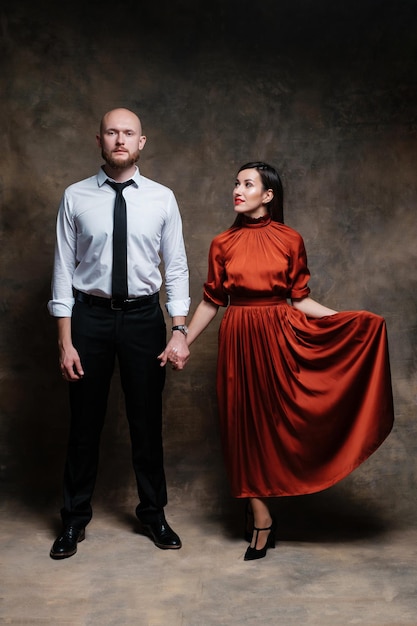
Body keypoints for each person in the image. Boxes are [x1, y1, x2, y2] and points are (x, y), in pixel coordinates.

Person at [160, 161, 394, 561]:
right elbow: (213, 301)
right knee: (240, 429)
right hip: (238, 338)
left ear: (267, 195)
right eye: (236, 182)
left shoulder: (290, 239)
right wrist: (181, 340)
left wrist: (346, 322)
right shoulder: (222, 243)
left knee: (278, 426)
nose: (237, 189)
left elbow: (300, 299)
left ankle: (268, 511)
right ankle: (261, 517)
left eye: (247, 184)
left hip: (280, 336)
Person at [48, 108, 190, 559]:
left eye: (129, 132)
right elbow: (62, 272)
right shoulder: (75, 197)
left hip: (144, 320)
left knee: (146, 422)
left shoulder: (162, 199)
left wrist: (179, 329)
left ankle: (153, 513)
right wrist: (65, 340)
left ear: (142, 142)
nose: (120, 139)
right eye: (112, 132)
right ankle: (73, 520)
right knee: (84, 424)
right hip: (89, 319)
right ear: (99, 140)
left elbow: (178, 268)